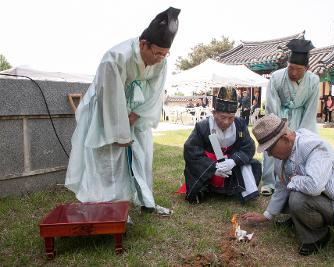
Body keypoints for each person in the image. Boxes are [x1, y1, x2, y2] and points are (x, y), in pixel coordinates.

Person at [65, 7, 180, 216]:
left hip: (136, 111)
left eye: (165, 54)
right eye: (157, 53)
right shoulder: (115, 58)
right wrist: (119, 130)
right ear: (143, 44)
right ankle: (107, 209)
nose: (160, 59)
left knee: (142, 152)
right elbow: (109, 97)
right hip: (106, 111)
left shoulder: (160, 62)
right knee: (109, 159)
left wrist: (136, 115)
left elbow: (155, 93)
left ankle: (145, 200)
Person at [242, 114, 334, 256]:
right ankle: (298, 220)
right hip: (321, 200)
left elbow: (314, 186)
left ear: (285, 138)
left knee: (297, 198)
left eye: (270, 149)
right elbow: (282, 186)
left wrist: (294, 180)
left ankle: (318, 236)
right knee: (291, 193)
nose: (269, 155)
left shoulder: (314, 147)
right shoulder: (282, 154)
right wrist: (266, 216)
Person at [260, 38, 320, 197]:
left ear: (306, 68)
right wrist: (280, 128)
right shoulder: (276, 77)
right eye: (290, 68)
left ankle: (297, 180)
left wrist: (300, 133)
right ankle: (268, 182)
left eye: (298, 69)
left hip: (302, 117)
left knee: (302, 147)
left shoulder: (314, 81)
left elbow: (311, 109)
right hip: (279, 117)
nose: (293, 73)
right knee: (273, 146)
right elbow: (272, 103)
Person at [182, 87, 261, 204]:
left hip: (230, 166)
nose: (226, 122)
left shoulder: (240, 124)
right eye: (223, 117)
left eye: (231, 118)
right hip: (209, 165)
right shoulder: (203, 127)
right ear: (214, 113)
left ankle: (234, 189)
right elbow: (190, 150)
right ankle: (205, 189)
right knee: (192, 166)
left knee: (252, 164)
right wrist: (213, 168)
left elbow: (248, 147)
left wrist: (233, 161)